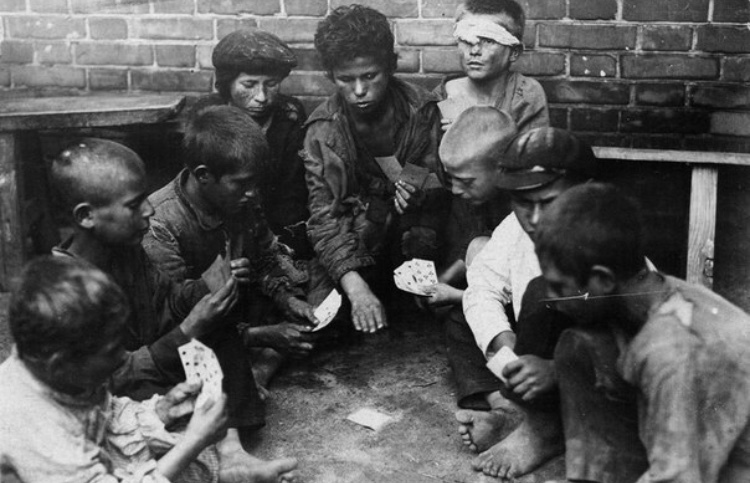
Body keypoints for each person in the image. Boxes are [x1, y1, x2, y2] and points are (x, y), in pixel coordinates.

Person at [49, 137, 298, 483]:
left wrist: (205, 288)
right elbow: (111, 378)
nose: (149, 211)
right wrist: (188, 330)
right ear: (86, 216)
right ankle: (203, 443)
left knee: (219, 327)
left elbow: (166, 299)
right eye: (134, 205)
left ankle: (232, 452)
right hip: (113, 397)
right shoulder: (62, 293)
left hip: (155, 369)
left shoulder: (125, 250)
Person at [537, 183, 750, 483]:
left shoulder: (669, 350)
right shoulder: (655, 291)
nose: (550, 297)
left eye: (559, 287)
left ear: (602, 279)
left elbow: (678, 478)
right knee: (579, 347)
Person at [441, 114, 600, 478]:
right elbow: (482, 284)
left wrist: (557, 370)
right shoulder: (515, 226)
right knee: (461, 318)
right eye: (523, 202)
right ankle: (509, 410)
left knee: (541, 299)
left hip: (582, 366)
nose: (535, 217)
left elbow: (627, 335)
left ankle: (543, 429)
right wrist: (503, 339)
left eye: (549, 201)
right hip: (530, 352)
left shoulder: (607, 239)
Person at [0, 255, 227, 482]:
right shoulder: (34, 426)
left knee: (194, 461)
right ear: (59, 364)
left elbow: (107, 416)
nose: (123, 358)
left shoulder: (61, 374)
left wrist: (162, 411)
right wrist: (193, 441)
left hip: (84, 465)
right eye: (110, 351)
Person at [143, 105, 316, 396]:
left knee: (313, 293)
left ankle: (254, 369)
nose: (253, 193)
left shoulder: (241, 198)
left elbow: (266, 256)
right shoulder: (159, 224)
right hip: (195, 330)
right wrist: (261, 336)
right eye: (243, 184)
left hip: (238, 311)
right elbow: (173, 320)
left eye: (255, 182)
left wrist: (287, 299)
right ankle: (254, 372)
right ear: (203, 175)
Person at [303, 4, 449, 333]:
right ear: (330, 76)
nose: (359, 91)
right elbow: (324, 218)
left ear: (392, 65)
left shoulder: (421, 110)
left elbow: (436, 181)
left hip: (417, 234)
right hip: (356, 240)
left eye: (370, 76)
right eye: (346, 79)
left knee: (438, 308)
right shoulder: (323, 132)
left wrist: (418, 193)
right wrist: (357, 291)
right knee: (315, 317)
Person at [434, 0, 550, 307]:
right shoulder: (446, 94)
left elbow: (533, 166)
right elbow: (430, 161)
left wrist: (480, 142)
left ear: (513, 52)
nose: (474, 50)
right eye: (466, 40)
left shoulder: (527, 95)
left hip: (509, 210)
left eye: (487, 41)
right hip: (460, 209)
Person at [192, 28, 312, 259]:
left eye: (271, 84)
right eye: (249, 84)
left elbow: (292, 191)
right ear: (227, 84)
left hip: (273, 229)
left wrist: (285, 243)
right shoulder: (207, 115)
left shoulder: (289, 117)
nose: (262, 97)